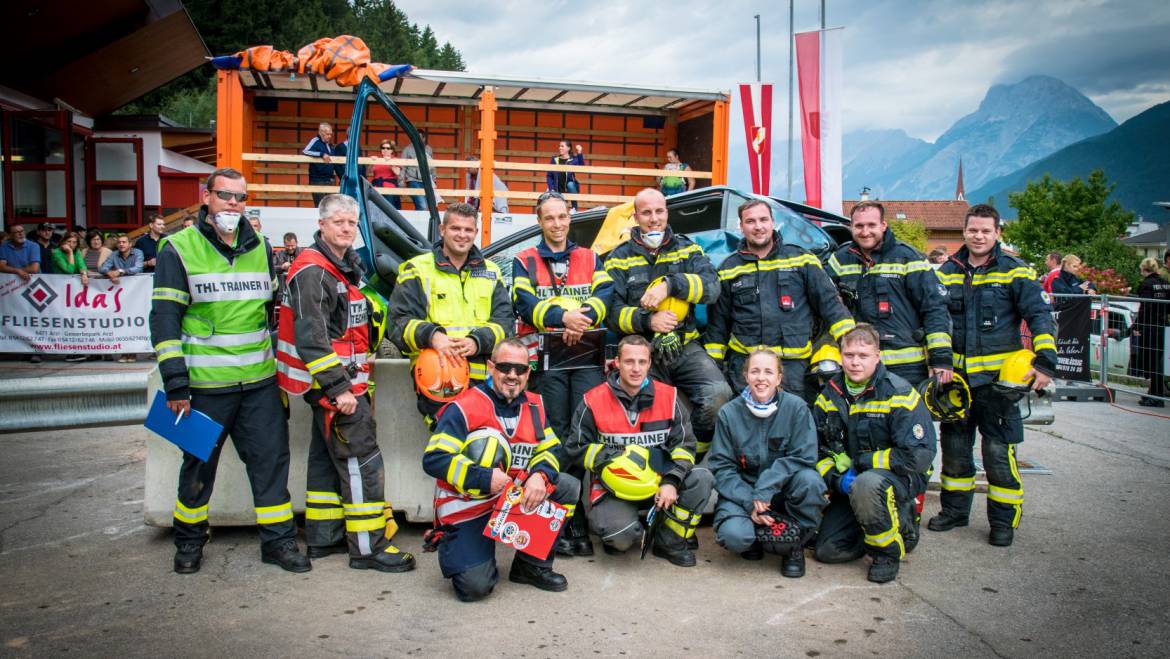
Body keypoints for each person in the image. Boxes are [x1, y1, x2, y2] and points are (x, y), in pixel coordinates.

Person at [150, 167, 309, 575]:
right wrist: (175, 384)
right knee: (198, 467)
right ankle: (188, 541)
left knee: (270, 462)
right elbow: (164, 321)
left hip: (258, 383)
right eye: (225, 196)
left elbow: (273, 314)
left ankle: (278, 542)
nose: (233, 204)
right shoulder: (178, 248)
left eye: (240, 197)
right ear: (207, 197)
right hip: (203, 388)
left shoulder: (261, 246)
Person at [277, 193, 415, 572]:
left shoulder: (339, 266)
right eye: (338, 221)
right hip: (334, 389)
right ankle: (369, 547)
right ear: (321, 225)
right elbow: (312, 337)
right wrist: (338, 389)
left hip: (337, 385)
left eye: (352, 223)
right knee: (362, 461)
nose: (346, 228)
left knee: (326, 461)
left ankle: (324, 537)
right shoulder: (313, 271)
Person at [931, 204, 1057, 547]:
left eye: (986, 231)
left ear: (997, 233)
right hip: (957, 383)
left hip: (998, 386)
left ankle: (1002, 522)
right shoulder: (946, 272)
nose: (979, 236)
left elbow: (1040, 316)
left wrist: (1045, 362)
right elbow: (933, 317)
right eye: (973, 230)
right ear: (964, 231)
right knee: (955, 450)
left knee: (999, 456)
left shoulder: (1016, 272)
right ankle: (955, 512)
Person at [424, 338, 579, 602]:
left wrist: (539, 476)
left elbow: (551, 450)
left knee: (566, 486)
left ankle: (531, 566)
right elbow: (434, 459)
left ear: (528, 373)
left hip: (511, 497)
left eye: (520, 369)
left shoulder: (534, 406)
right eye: (505, 367)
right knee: (474, 588)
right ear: (490, 367)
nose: (512, 375)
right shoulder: (464, 407)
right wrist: (484, 478)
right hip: (468, 508)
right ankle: (460, 547)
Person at [511, 190, 612, 556]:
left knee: (581, 434)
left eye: (562, 217)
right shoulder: (524, 259)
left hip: (585, 359)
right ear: (539, 221)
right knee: (554, 434)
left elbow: (605, 295)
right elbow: (524, 303)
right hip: (547, 362)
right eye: (549, 218)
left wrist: (578, 318)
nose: (557, 224)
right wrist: (562, 318)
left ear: (571, 218)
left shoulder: (590, 256)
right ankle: (561, 520)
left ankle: (575, 517)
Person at [566, 335, 714, 566]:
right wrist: (619, 460)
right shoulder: (593, 400)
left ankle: (669, 541)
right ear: (617, 362)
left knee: (702, 479)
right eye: (629, 362)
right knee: (620, 539)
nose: (636, 369)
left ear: (650, 363)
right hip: (615, 487)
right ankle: (625, 527)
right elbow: (575, 447)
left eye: (642, 362)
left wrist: (672, 481)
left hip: (660, 483)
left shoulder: (669, 397)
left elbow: (685, 446)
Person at [606, 188, 731, 456]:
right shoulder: (618, 258)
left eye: (659, 211)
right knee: (641, 406)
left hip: (686, 346)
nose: (654, 219)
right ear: (636, 217)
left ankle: (692, 454)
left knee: (718, 396)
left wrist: (671, 284)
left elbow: (712, 288)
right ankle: (651, 461)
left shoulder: (688, 249)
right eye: (647, 213)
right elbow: (611, 313)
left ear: (667, 212)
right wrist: (648, 321)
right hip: (641, 350)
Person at [811, 324, 936, 583]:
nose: (855, 362)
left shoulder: (899, 394)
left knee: (868, 484)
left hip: (900, 479)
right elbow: (817, 450)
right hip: (851, 486)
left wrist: (863, 463)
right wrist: (837, 480)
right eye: (849, 355)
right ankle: (873, 525)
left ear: (877, 356)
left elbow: (918, 456)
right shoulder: (829, 396)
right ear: (841, 355)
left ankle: (888, 551)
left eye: (863, 356)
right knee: (827, 551)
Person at [705, 198, 855, 402]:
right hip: (747, 368)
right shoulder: (728, 268)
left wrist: (850, 344)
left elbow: (830, 305)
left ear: (772, 222)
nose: (758, 227)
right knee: (748, 427)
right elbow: (718, 325)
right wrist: (714, 368)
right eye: (750, 222)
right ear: (740, 227)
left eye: (763, 220)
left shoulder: (802, 259)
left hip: (793, 368)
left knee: (794, 425)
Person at [388, 202, 513, 426]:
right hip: (440, 379)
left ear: (475, 232)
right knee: (448, 448)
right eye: (456, 228)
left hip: (484, 380)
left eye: (468, 230)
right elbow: (398, 324)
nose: (462, 235)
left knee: (484, 447)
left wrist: (477, 342)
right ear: (442, 230)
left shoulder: (492, 272)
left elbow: (505, 323)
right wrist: (434, 336)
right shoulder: (416, 269)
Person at [708, 349, 827, 577]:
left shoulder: (797, 408)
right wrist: (750, 502)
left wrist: (766, 488)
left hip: (782, 492)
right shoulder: (729, 414)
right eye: (755, 371)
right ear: (746, 376)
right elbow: (722, 469)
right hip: (743, 493)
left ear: (779, 378)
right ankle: (754, 535)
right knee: (734, 536)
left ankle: (795, 546)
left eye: (768, 372)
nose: (761, 378)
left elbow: (804, 456)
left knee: (811, 482)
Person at [827, 201, 952, 387]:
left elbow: (934, 308)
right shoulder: (839, 260)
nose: (865, 231)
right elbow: (828, 306)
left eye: (871, 225)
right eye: (859, 226)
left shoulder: (908, 258)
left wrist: (940, 359)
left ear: (883, 226)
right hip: (860, 366)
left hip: (908, 366)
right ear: (850, 227)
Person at [1, 224, 44, 362]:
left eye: (21, 231)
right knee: (17, 318)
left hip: (34, 287)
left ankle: (36, 351)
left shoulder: (33, 246)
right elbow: (1, 266)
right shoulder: (4, 247)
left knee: (34, 319)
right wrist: (18, 271)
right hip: (12, 289)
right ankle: (20, 349)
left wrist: (13, 269)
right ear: (10, 235)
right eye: (16, 232)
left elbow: (34, 268)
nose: (20, 234)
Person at [1131, 258, 1169, 407]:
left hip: (1151, 327)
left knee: (1153, 363)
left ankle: (1156, 397)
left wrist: (1137, 325)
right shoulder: (1165, 283)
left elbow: (1145, 307)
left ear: (1143, 269)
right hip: (1164, 326)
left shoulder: (1147, 284)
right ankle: (1154, 394)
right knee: (1158, 363)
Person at [401, 132, 437, 211]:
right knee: (422, 205)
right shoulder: (407, 149)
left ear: (424, 139)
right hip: (413, 180)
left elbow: (432, 165)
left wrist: (434, 178)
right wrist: (400, 183)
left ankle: (419, 222)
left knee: (428, 206)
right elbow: (402, 167)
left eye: (420, 137)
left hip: (427, 181)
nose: (418, 139)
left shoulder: (429, 149)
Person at [302, 122, 336, 205]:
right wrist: (321, 154)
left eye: (330, 134)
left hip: (329, 179)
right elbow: (305, 151)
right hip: (318, 180)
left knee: (330, 206)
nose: (330, 136)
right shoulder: (315, 141)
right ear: (321, 132)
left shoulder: (329, 145)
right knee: (320, 206)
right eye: (328, 134)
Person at [546, 140, 585, 211]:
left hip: (569, 189)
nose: (560, 148)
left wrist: (579, 152)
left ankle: (574, 208)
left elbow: (582, 166)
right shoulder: (554, 159)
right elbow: (549, 175)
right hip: (557, 189)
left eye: (562, 146)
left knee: (570, 184)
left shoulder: (573, 159)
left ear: (568, 148)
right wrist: (551, 187)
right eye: (559, 146)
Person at [370, 140, 402, 210]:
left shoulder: (395, 159)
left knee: (389, 209)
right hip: (376, 188)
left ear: (392, 150)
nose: (385, 150)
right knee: (376, 209)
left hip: (389, 188)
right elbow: (369, 171)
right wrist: (372, 161)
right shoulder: (378, 160)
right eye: (383, 148)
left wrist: (390, 161)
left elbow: (397, 172)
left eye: (388, 148)